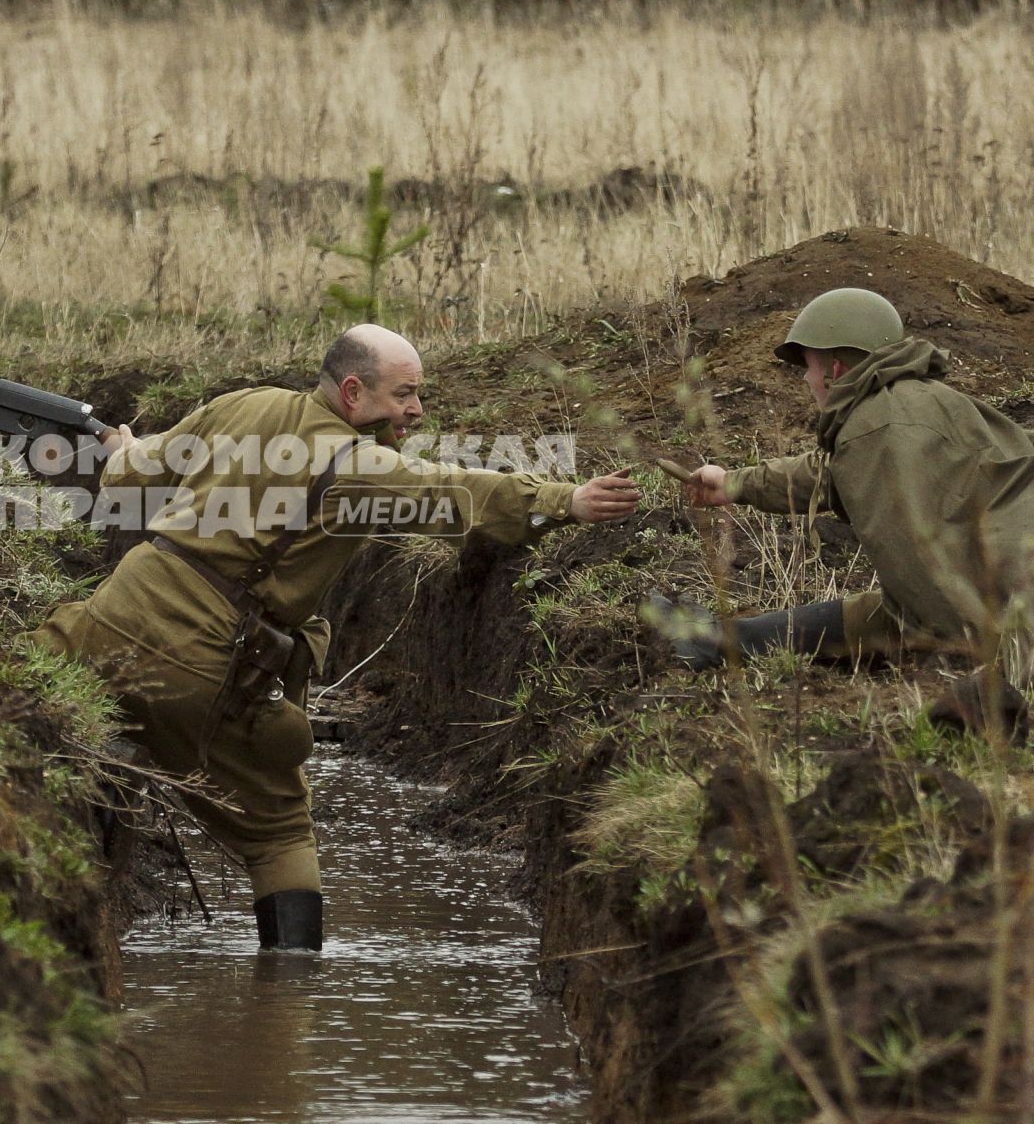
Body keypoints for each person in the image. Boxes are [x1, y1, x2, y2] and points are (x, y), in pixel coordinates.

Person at [35, 323, 641, 951]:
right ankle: (288, 999)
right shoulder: (359, 467)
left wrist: (123, 445)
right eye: (405, 394)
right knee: (279, 834)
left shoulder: (240, 403)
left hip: (107, 623)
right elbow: (452, 492)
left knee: (15, 694)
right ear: (354, 391)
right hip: (206, 664)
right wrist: (568, 498)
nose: (417, 409)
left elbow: (127, 477)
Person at [666, 287, 1034, 698]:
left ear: (834, 370)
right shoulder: (901, 406)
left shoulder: (882, 424)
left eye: (809, 369)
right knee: (894, 613)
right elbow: (832, 473)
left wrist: (1016, 658)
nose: (807, 381)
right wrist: (735, 483)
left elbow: (966, 571)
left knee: (906, 615)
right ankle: (722, 640)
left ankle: (719, 641)